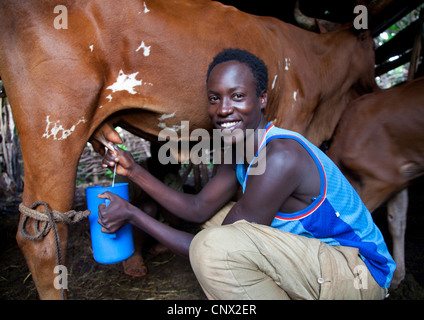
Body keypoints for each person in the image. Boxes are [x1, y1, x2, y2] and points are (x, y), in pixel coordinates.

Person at [98, 48, 395, 300]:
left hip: (361, 272)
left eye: (237, 96)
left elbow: (210, 248)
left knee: (213, 246)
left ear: (262, 99)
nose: (223, 109)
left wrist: (134, 215)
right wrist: (133, 170)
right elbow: (197, 208)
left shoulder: (281, 156)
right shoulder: (236, 148)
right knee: (212, 220)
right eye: (214, 98)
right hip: (322, 258)